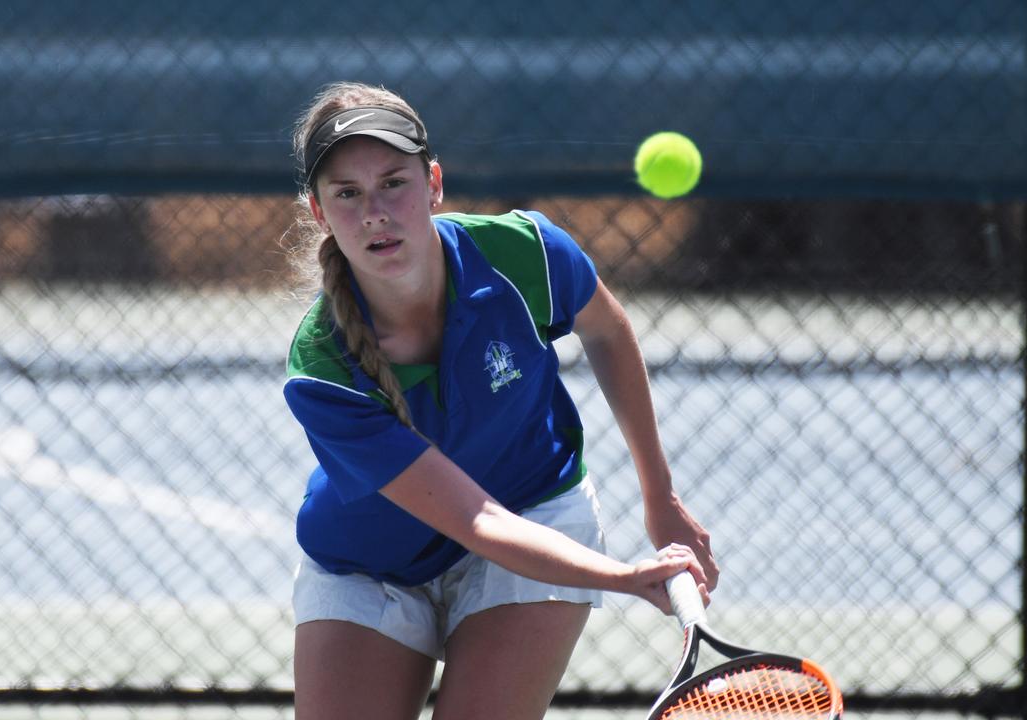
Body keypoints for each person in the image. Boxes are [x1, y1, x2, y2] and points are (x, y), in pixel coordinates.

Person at [282, 81, 719, 720]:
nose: (374, 211)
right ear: (320, 213)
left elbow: (604, 328)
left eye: (393, 182)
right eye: (347, 193)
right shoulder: (321, 370)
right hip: (369, 561)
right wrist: (620, 577)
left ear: (433, 183)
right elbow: (475, 521)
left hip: (535, 508)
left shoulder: (523, 253)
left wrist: (661, 496)